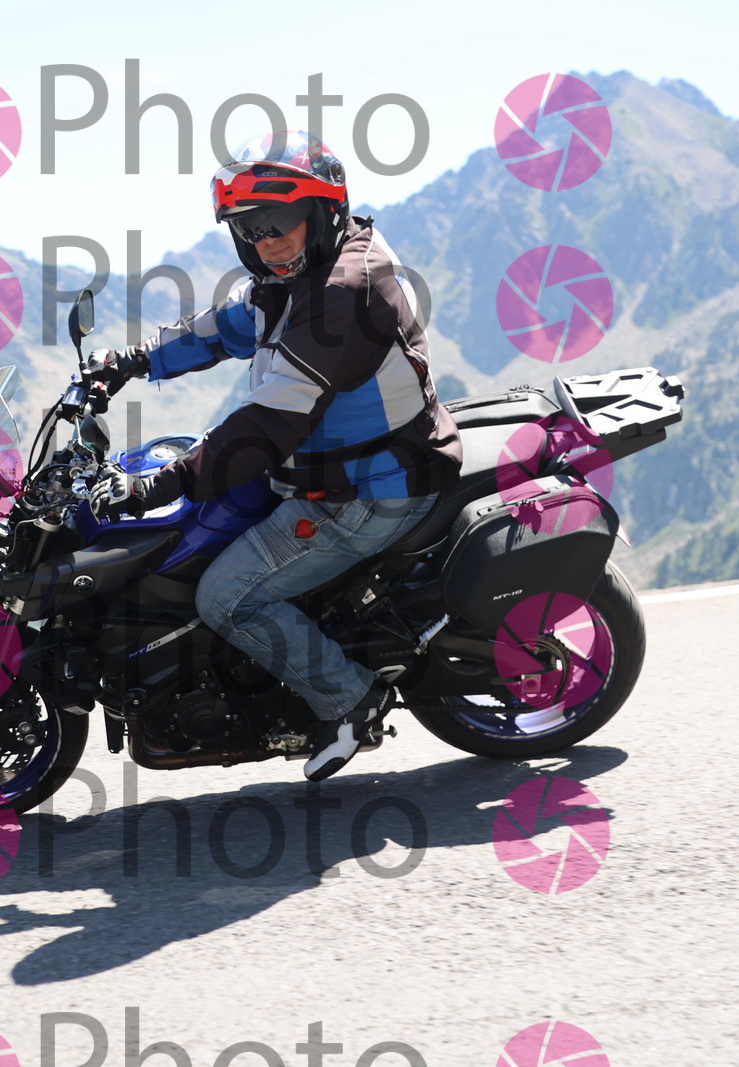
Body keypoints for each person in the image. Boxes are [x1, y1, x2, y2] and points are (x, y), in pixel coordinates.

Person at [85, 130, 462, 781]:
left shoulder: (340, 294)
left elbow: (268, 425)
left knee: (227, 596)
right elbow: (229, 326)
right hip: (330, 469)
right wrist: (133, 361)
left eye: (279, 222)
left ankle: (350, 700)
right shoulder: (299, 274)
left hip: (369, 491)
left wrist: (162, 485)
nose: (266, 242)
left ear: (321, 212)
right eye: (249, 229)